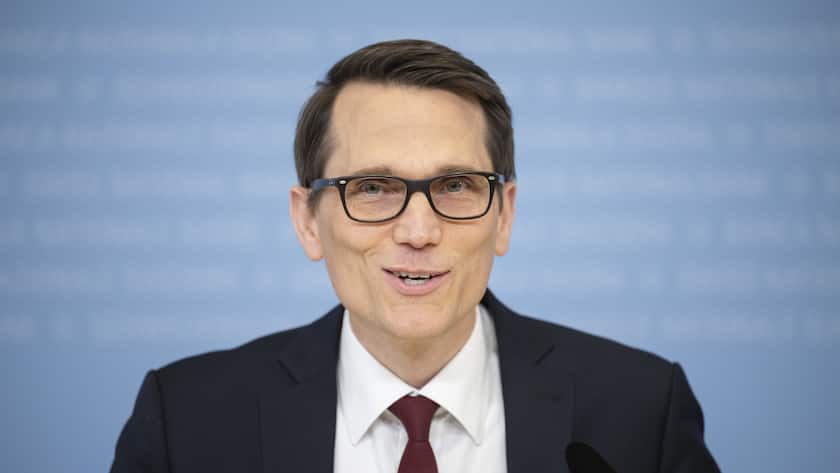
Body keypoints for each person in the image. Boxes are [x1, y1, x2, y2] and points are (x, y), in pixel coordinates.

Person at [111, 39, 720, 473]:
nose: (419, 231)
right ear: (308, 221)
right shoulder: (186, 420)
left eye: (455, 186)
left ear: (504, 215)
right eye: (373, 188)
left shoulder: (641, 409)